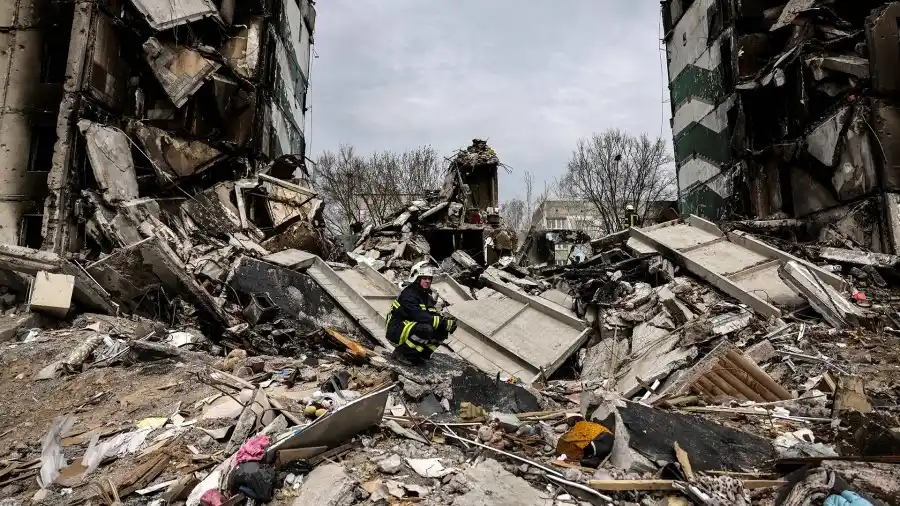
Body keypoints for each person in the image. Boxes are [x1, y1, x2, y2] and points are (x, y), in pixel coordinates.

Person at [385, 262, 458, 365]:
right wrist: (441, 322)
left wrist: (445, 322)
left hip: (409, 327)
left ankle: (423, 354)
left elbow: (431, 312)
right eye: (425, 278)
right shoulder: (409, 294)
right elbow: (419, 316)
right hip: (395, 331)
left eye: (429, 278)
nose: (428, 281)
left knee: (442, 329)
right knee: (426, 328)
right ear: (417, 278)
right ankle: (402, 353)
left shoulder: (425, 295)